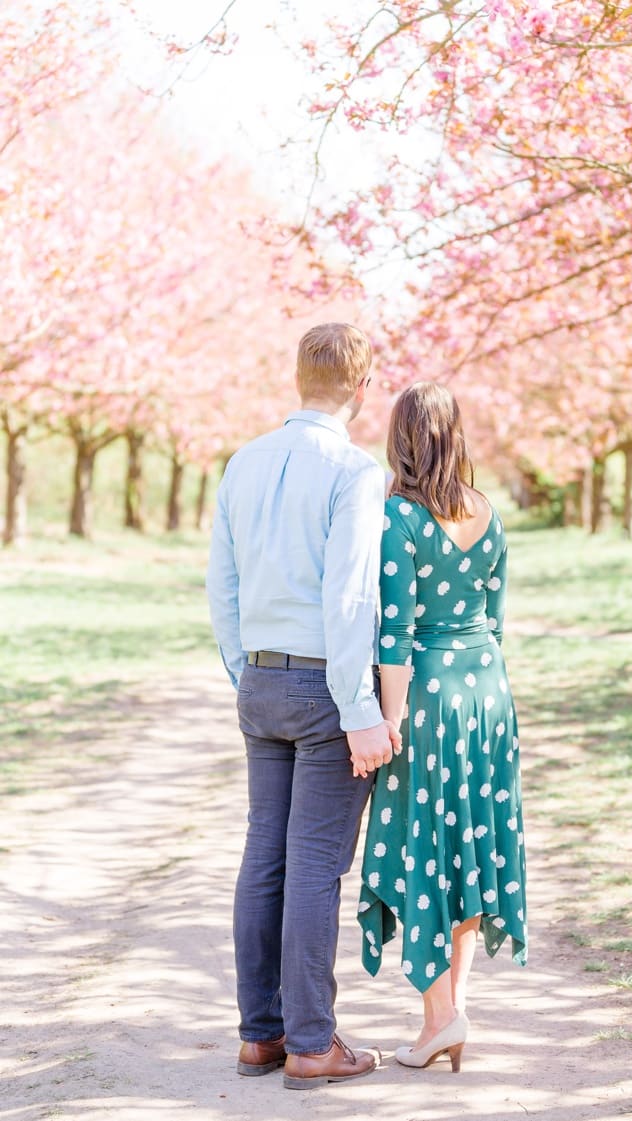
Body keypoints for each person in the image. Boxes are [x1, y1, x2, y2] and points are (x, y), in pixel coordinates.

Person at [207, 322, 401, 1089]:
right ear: (363, 388)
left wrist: (243, 669)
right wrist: (359, 706)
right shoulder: (356, 471)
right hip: (326, 686)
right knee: (316, 863)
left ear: (297, 380)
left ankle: (262, 1035)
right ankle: (313, 1042)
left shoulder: (242, 462)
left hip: (259, 677)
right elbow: (349, 594)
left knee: (265, 855)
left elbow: (221, 584)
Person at [356, 381, 529, 1073]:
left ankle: (441, 1018)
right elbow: (496, 616)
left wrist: (387, 720)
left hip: (425, 696)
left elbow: (394, 633)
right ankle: (452, 1010)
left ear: (402, 439)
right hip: (487, 692)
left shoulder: (398, 519)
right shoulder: (487, 512)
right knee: (470, 843)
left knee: (422, 844)